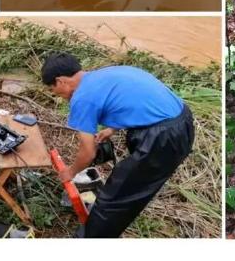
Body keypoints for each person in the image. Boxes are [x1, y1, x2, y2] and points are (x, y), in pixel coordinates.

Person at [41, 52, 194, 238]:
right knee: (132, 185)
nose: (57, 95)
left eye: (53, 90)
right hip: (183, 121)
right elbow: (135, 100)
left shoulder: (82, 98)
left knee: (113, 200)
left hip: (163, 138)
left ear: (60, 81)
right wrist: (111, 129)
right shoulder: (106, 74)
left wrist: (70, 172)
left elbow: (88, 152)